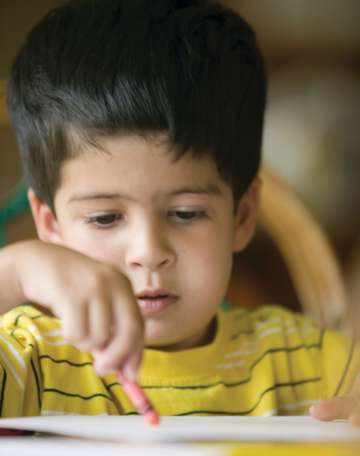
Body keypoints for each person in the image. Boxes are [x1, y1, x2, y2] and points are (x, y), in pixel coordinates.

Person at [0, 0, 359, 422]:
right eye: (105, 218)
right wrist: (15, 271)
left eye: (186, 213)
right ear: (50, 224)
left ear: (242, 217)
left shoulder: (305, 360)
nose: (148, 252)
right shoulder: (31, 357)